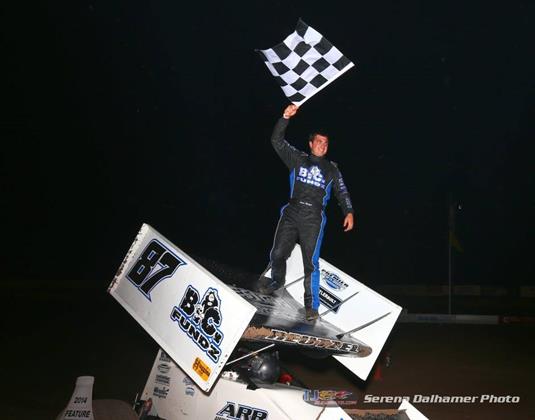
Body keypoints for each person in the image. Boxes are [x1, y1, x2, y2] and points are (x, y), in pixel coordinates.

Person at [259, 104, 354, 321]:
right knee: (277, 253)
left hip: (314, 218)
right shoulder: (298, 158)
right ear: (311, 144)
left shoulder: (332, 169)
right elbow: (276, 141)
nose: (322, 145)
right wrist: (285, 117)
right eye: (319, 141)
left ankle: (311, 306)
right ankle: (276, 281)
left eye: (326, 143)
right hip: (292, 212)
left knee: (311, 263)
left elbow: (342, 191)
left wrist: (348, 211)